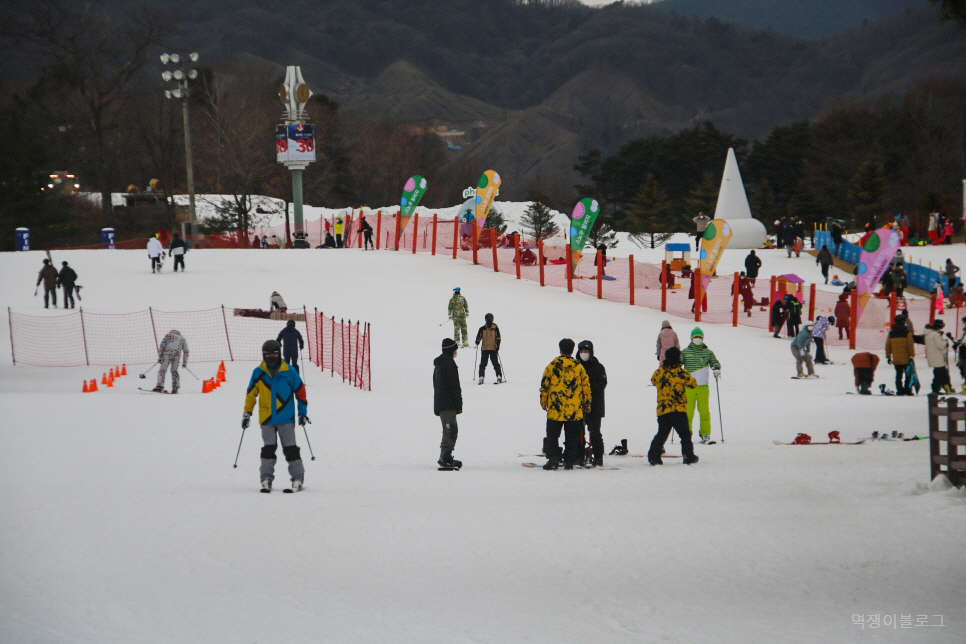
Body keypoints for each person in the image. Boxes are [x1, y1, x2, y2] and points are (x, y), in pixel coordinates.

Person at [243, 339, 309, 492]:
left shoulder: (289, 371)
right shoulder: (258, 372)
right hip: (267, 418)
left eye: (274, 354)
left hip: (286, 417)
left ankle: (297, 478)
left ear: (279, 354)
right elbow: (251, 395)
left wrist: (302, 413)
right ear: (263, 355)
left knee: (290, 449)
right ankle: (266, 478)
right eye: (268, 355)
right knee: (268, 449)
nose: (271, 357)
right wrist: (247, 413)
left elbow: (301, 392)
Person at [540, 338, 591, 470]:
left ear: (560, 349)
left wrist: (543, 402)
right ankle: (569, 461)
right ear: (573, 350)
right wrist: (587, 404)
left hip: (555, 409)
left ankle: (553, 459)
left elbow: (545, 385)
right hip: (574, 410)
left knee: (552, 436)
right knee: (572, 437)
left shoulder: (552, 366)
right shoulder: (579, 367)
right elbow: (585, 387)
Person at [646, 346, 699, 466]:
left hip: (663, 410)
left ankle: (654, 457)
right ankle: (688, 456)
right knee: (685, 434)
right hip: (679, 409)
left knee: (662, 434)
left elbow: (653, 381)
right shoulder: (681, 372)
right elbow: (693, 384)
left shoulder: (660, 372)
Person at [681, 328, 721, 444]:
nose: (697, 339)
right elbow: (678, 362)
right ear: (691, 338)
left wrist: (716, 368)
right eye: (695, 337)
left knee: (704, 411)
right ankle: (686, 434)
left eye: (700, 337)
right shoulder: (685, 352)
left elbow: (714, 361)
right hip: (689, 387)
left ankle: (705, 433)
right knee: (688, 412)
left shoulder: (707, 352)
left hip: (703, 386)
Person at [433, 337, 463, 469]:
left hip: (442, 402)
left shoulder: (439, 364)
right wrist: (458, 403)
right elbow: (454, 386)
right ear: (451, 350)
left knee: (450, 429)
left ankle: (446, 456)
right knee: (450, 430)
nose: (456, 352)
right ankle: (445, 457)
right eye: (455, 349)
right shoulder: (448, 364)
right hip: (448, 403)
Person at [577, 340, 607, 467]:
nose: (584, 353)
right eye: (582, 351)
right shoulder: (575, 366)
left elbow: (602, 384)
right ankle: (579, 456)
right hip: (578, 405)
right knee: (578, 432)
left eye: (586, 351)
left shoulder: (598, 367)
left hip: (595, 405)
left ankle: (598, 457)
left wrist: (588, 388)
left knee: (595, 432)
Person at [885, 320, 915, 395]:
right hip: (906, 358)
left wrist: (888, 356)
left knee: (898, 375)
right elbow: (910, 345)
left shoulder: (891, 333)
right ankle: (907, 390)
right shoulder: (907, 333)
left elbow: (888, 346)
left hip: (896, 359)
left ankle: (899, 390)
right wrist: (912, 355)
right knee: (908, 375)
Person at [154, 329, 188, 393]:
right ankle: (175, 387)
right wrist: (184, 362)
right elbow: (186, 351)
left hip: (167, 354)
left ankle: (159, 386)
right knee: (174, 371)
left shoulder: (168, 335)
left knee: (162, 370)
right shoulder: (182, 338)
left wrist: (160, 357)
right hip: (176, 356)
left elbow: (162, 346)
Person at [925, 320, 952, 394]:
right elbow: (941, 345)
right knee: (940, 374)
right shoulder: (936, 335)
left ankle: (945, 387)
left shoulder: (929, 334)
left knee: (940, 373)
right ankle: (937, 389)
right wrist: (945, 342)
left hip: (933, 356)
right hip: (938, 357)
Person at [474, 313, 503, 384]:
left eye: (490, 318)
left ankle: (499, 376)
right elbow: (478, 337)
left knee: (495, 363)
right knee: (483, 364)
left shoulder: (495, 328)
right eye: (488, 318)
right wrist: (477, 341)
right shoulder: (482, 328)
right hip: (485, 349)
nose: (489, 320)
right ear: (485, 319)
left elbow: (498, 338)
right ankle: (481, 377)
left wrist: (497, 345)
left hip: (493, 349)